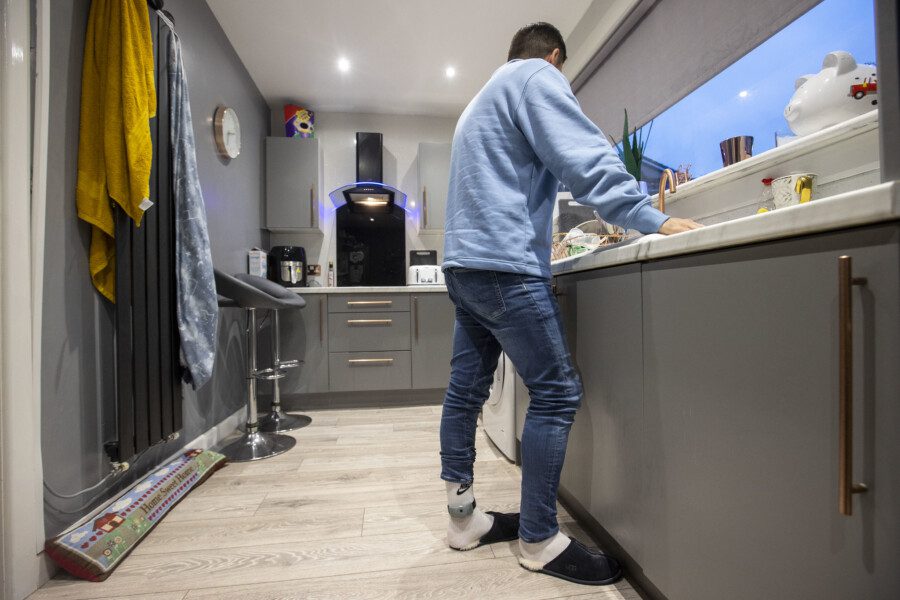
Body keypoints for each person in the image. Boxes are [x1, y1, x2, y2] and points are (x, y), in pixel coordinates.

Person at [439, 22, 702, 586]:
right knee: (557, 392)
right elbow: (585, 160)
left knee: (466, 389)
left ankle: (463, 520)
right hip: (504, 266)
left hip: (465, 265)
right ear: (555, 58)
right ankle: (539, 539)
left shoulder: (479, 101)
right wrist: (652, 218)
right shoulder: (537, 78)